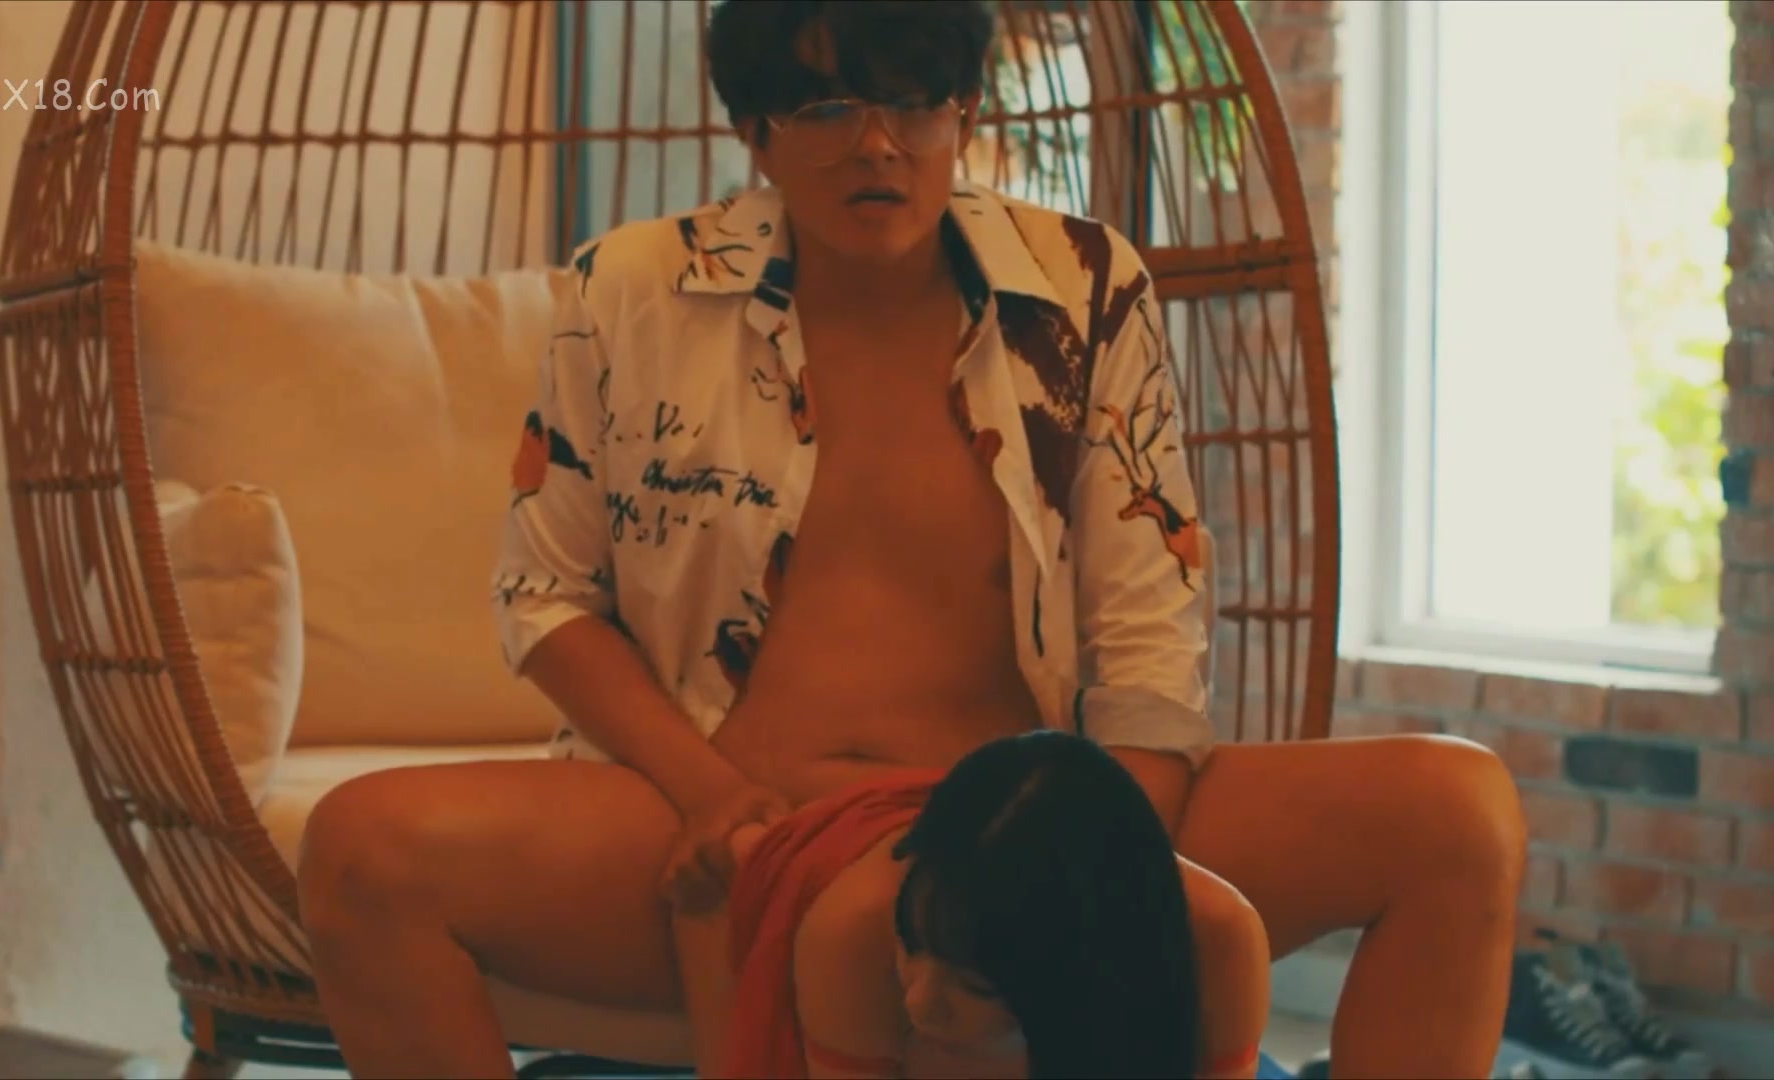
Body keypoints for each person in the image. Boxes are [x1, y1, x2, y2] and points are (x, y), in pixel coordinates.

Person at [295, 2, 1527, 1078]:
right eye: (828, 106)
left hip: (1028, 809)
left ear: (962, 111)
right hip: (732, 808)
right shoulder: (628, 287)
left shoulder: (1082, 286)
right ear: (756, 130)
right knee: (361, 850)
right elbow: (546, 595)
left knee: (1454, 810)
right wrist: (710, 796)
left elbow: (1151, 644)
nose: (878, 144)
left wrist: (1080, 859)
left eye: (913, 102)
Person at [720, 730, 1269, 1079]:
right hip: (844, 857)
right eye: (911, 948)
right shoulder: (853, 928)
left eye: (975, 986)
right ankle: (743, 840)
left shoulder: (1220, 932)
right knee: (750, 852)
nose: (921, 1001)